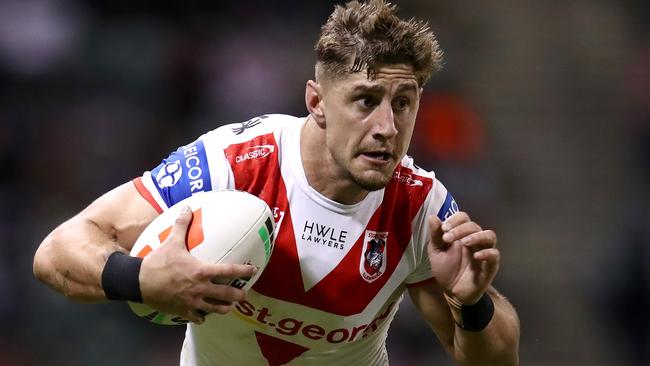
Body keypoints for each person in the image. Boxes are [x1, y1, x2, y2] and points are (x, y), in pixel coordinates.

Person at [33, 1, 520, 365]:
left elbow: (492, 359)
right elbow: (56, 253)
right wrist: (140, 280)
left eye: (403, 103)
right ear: (316, 102)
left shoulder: (422, 208)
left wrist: (471, 303)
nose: (388, 128)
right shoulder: (234, 164)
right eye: (366, 101)